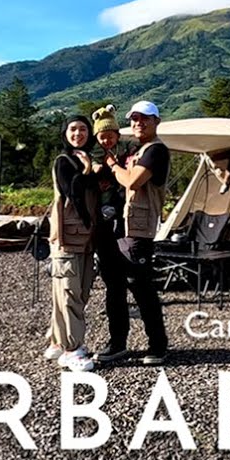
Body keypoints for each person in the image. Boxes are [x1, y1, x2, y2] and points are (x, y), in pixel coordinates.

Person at [96, 99, 170, 366]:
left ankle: (158, 345)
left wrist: (113, 165)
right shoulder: (137, 151)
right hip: (118, 228)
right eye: (134, 119)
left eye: (145, 119)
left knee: (142, 288)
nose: (139, 123)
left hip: (139, 230)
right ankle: (117, 342)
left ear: (156, 121)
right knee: (114, 287)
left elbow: (132, 180)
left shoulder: (155, 151)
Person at [43, 114, 99, 372]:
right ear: (65, 133)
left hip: (83, 237)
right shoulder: (64, 162)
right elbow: (72, 190)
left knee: (72, 292)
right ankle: (71, 349)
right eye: (73, 129)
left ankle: (57, 341)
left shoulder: (82, 159)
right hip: (68, 237)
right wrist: (88, 170)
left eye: (83, 129)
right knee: (69, 294)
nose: (78, 134)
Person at [88, 104, 133, 321]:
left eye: (110, 136)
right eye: (102, 137)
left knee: (119, 252)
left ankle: (122, 293)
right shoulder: (95, 152)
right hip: (102, 207)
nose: (106, 141)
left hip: (118, 205)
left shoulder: (125, 151)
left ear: (117, 134)